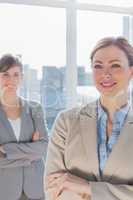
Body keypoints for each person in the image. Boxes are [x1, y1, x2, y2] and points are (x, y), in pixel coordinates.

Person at [44, 37, 133, 200]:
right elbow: (53, 189)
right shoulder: (66, 122)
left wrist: (87, 188)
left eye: (115, 65)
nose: (105, 73)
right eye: (98, 66)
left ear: (131, 71)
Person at [0, 54, 48, 200]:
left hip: (36, 189)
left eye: (15, 74)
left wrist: (6, 150)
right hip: (4, 190)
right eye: (5, 74)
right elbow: (36, 152)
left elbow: (43, 147)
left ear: (21, 77)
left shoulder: (35, 108)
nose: (11, 80)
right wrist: (30, 155)